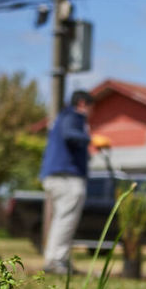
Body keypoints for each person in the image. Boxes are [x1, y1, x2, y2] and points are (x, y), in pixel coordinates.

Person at [39, 90, 110, 275]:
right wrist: (91, 139)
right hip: (67, 177)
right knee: (66, 220)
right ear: (82, 103)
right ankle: (57, 261)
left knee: (61, 219)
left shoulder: (62, 117)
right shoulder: (73, 116)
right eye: (91, 107)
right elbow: (70, 134)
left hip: (58, 175)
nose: (91, 112)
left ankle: (55, 259)